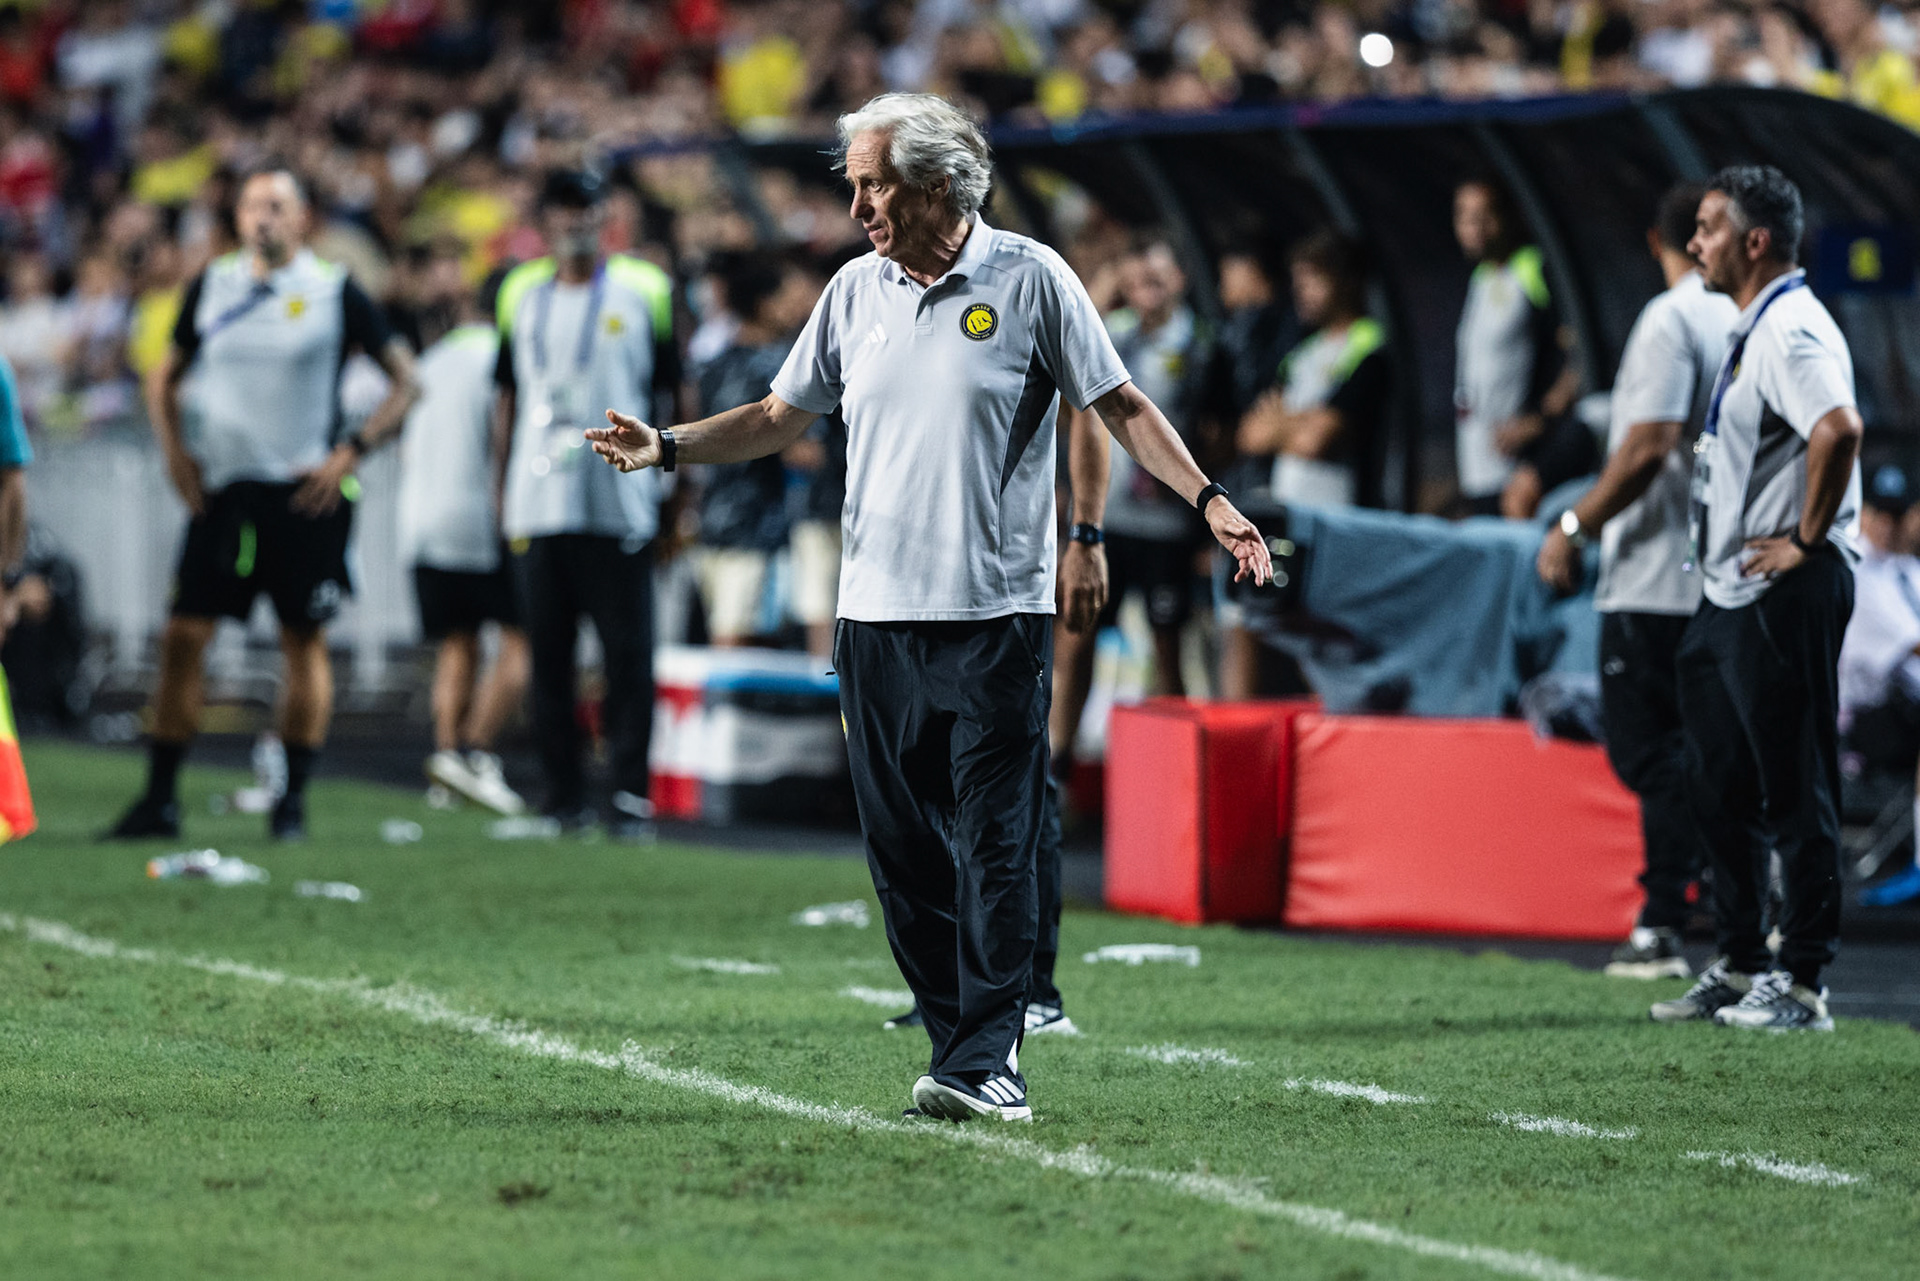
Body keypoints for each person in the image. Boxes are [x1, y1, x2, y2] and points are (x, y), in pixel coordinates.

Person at [585, 93, 1270, 1122]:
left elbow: (1117, 404)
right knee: (902, 850)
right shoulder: (854, 292)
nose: (857, 202)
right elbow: (778, 415)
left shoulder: (1033, 278)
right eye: (853, 182)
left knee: (994, 836)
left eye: (873, 182)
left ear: (940, 184)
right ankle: (962, 1046)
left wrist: (1209, 500)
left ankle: (991, 1053)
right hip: (874, 619)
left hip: (995, 614)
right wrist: (670, 445)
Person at [105, 167, 420, 842]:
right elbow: (166, 374)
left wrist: (350, 452)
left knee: (301, 641)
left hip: (304, 492)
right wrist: (174, 455)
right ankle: (159, 799)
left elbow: (406, 381)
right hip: (225, 491)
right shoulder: (213, 284)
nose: (262, 218)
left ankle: (292, 801)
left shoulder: (334, 290)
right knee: (183, 635)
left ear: (303, 218)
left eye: (276, 205)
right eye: (251, 206)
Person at [1651, 166, 1864, 1032]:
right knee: (1717, 779)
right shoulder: (1757, 327)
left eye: (1706, 227)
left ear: (1755, 240)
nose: (1693, 242)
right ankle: (1741, 961)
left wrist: (1808, 539)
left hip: (1785, 584)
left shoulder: (1790, 331)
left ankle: (1804, 981)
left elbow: (1839, 427)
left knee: (1793, 784)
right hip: (1730, 591)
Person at [1536, 182, 1736, 979]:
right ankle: (1737, 906)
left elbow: (1648, 444)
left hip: (1654, 573)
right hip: (1721, 570)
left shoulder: (1672, 317)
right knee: (1710, 746)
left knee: (1649, 750)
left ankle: (1663, 918)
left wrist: (1574, 523)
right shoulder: (1746, 317)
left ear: (1663, 242)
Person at [493, 170, 677, 839]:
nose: (575, 221)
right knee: (550, 660)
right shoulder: (518, 291)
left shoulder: (645, 289)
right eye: (563, 208)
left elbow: (670, 392)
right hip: (537, 503)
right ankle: (562, 798)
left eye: (585, 208)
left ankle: (628, 795)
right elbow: (507, 395)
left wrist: (675, 495)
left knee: (627, 658)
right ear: (545, 221)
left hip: (621, 501)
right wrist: (499, 490)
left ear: (606, 216)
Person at [1221, 228, 1388, 699]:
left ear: (1347, 282)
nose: (1302, 291)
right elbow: (1251, 434)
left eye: (1314, 279)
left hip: (1339, 518)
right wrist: (1296, 427)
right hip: (1285, 516)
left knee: (1325, 639)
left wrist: (1285, 429)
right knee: (1247, 618)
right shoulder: (1301, 354)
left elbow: (1321, 439)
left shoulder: (1370, 348)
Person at [398, 257, 529, 815]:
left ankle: (446, 762)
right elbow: (502, 442)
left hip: (420, 520)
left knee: (458, 645)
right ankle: (474, 756)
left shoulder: (433, 359)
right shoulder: (499, 361)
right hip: (479, 520)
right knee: (524, 644)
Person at [1451, 177, 1586, 518]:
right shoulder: (1480, 278)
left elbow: (1579, 352)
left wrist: (1539, 420)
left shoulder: (1532, 268)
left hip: (1521, 472)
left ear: (1509, 216)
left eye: (1485, 215)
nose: (1475, 227)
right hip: (1477, 469)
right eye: (1465, 217)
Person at [690, 253, 802, 647]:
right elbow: (797, 451)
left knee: (724, 633)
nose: (796, 304)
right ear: (762, 302)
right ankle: (725, 712)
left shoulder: (710, 364)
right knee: (734, 640)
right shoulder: (781, 367)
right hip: (756, 525)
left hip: (711, 519)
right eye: (786, 295)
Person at [1836, 465, 1920, 906]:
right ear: (1862, 513)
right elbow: (1913, 647)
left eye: (1898, 514)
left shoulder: (1908, 570)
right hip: (1869, 718)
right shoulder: (1859, 572)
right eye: (1880, 514)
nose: (1888, 526)